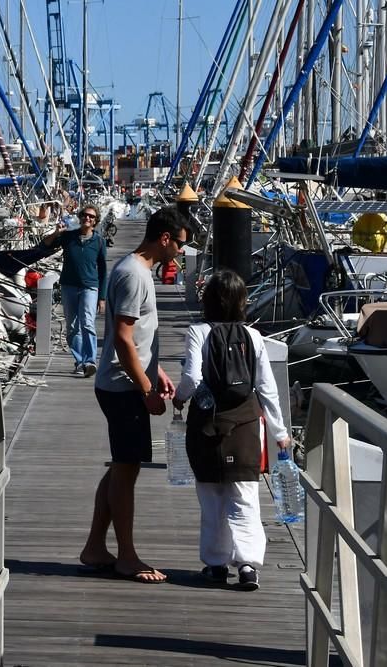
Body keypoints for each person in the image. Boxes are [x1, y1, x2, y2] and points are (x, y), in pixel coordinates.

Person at [78, 206, 192, 584]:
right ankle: (127, 556)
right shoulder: (133, 275)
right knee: (127, 471)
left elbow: (133, 338)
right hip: (122, 387)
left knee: (121, 467)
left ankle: (95, 545)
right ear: (164, 238)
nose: (179, 252)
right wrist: (146, 390)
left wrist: (155, 369)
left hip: (126, 381)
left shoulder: (135, 270)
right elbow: (123, 338)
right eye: (179, 244)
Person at [172, 269, 290, 592]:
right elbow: (267, 388)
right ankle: (249, 565)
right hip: (247, 426)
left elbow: (193, 378)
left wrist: (179, 399)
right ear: (241, 303)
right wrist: (280, 431)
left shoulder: (198, 332)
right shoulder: (253, 337)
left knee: (212, 496)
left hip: (208, 425)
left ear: (209, 300)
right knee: (246, 496)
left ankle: (216, 563)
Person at [42, 204, 108, 376]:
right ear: (80, 217)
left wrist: (102, 297)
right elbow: (46, 244)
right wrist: (57, 232)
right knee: (72, 328)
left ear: (95, 221)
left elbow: (103, 270)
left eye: (91, 217)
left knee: (87, 323)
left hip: (90, 286)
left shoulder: (99, 241)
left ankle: (90, 360)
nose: (88, 218)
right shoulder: (68, 237)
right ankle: (80, 362)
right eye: (85, 215)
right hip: (69, 286)